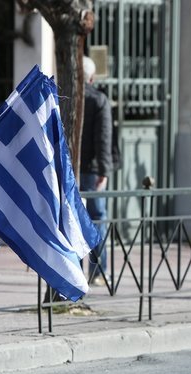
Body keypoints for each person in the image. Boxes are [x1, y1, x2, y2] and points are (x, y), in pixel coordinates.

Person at [80, 55, 113, 286]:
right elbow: (103, 139)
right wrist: (105, 169)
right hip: (92, 170)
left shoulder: (65, 96)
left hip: (70, 169)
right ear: (92, 77)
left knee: (70, 219)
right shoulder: (99, 100)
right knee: (97, 218)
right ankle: (98, 270)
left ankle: (71, 271)